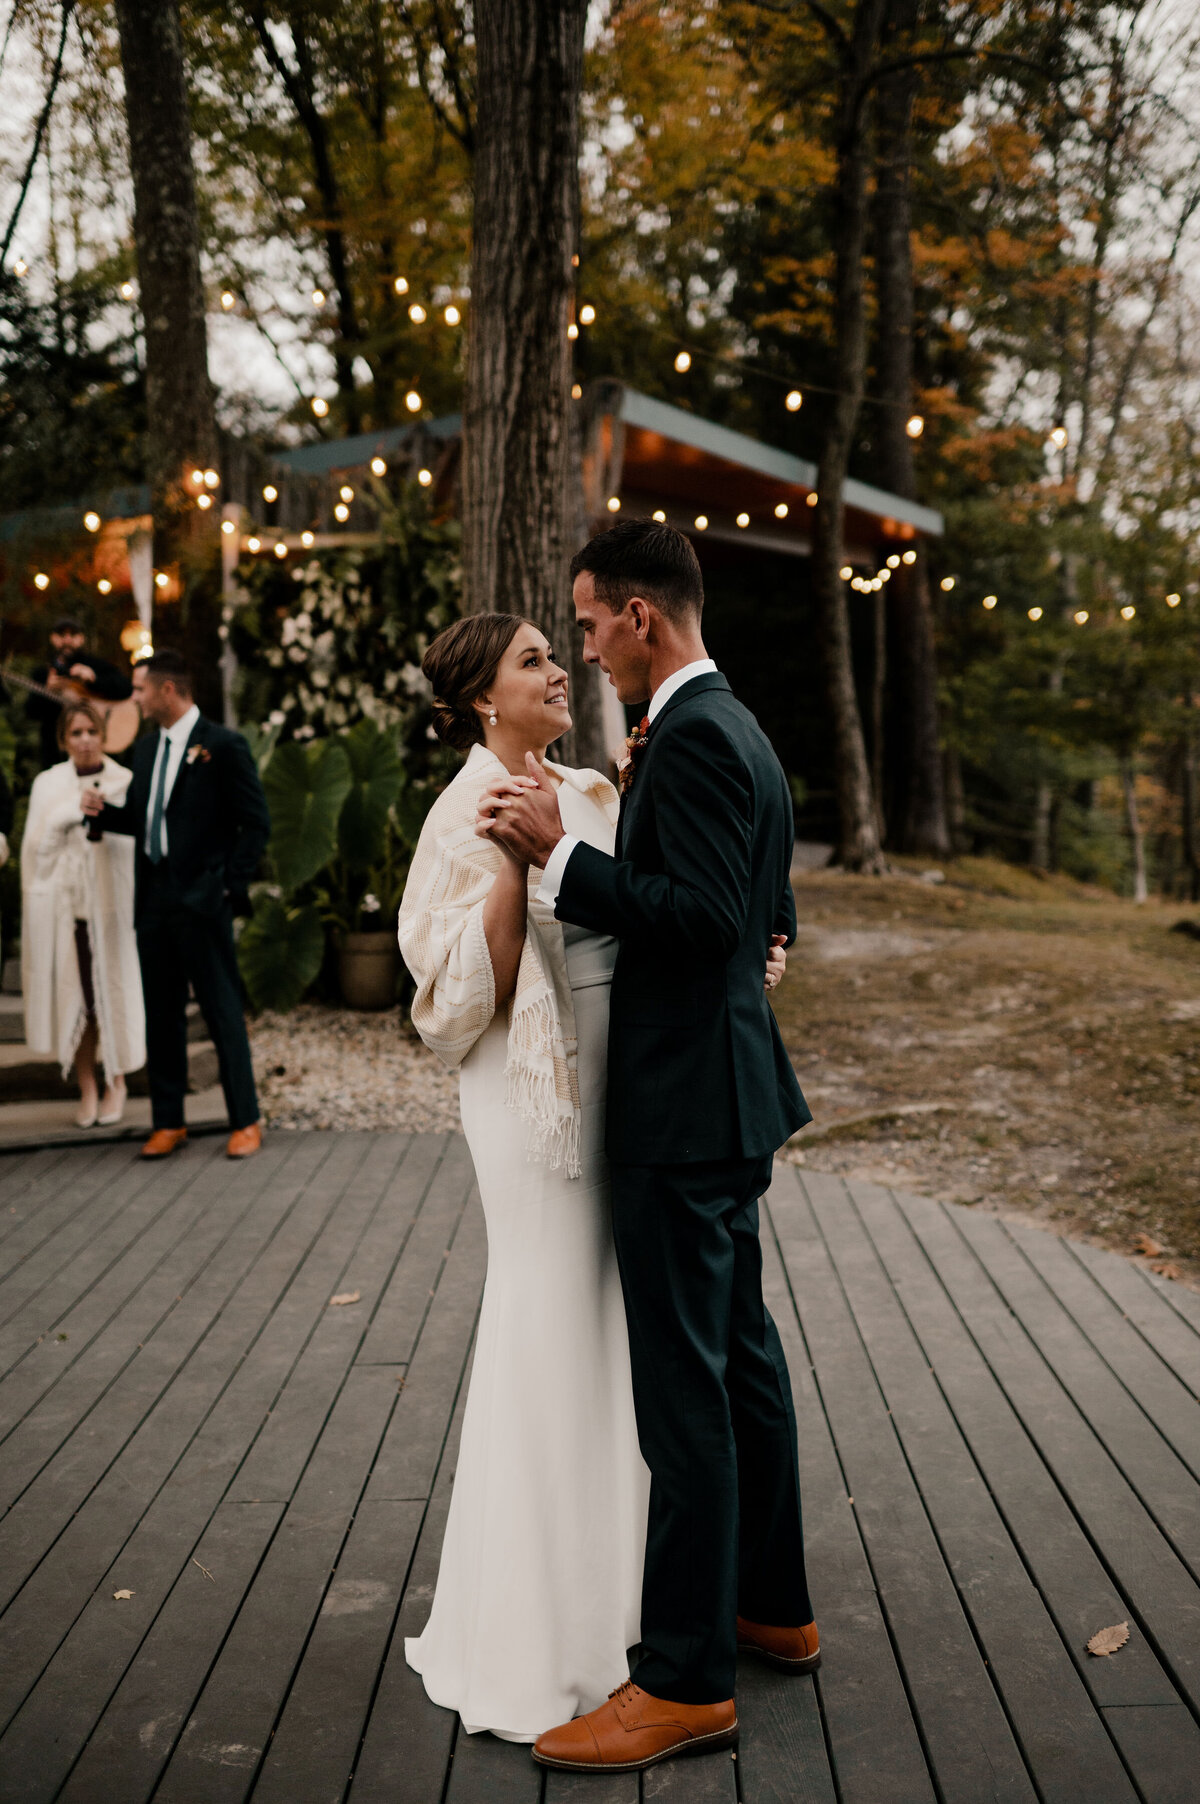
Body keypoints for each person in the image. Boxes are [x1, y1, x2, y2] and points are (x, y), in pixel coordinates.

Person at [397, 612, 787, 1746]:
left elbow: (681, 900)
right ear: (482, 701)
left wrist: (756, 936)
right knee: (550, 1316)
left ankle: (628, 1608)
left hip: (633, 1089)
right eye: (531, 660)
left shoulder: (600, 787)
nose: (558, 667)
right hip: (529, 1106)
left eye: (557, 651)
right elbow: (451, 993)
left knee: (626, 1336)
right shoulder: (464, 809)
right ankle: (535, 1628)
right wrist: (520, 863)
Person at [478, 519, 816, 1777]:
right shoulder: (739, 728)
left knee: (687, 1392)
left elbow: (707, 912)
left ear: (639, 618)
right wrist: (757, 944)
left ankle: (681, 1678)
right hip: (727, 1097)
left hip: (684, 1113)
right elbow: (761, 903)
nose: (580, 644)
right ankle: (771, 1604)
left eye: (585, 619)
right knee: (741, 1362)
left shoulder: (698, 735)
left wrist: (557, 855)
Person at [80, 648, 269, 1160]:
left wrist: (228, 886)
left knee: (221, 1010)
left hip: (204, 901)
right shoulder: (145, 751)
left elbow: (256, 823)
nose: (134, 698)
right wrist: (102, 815)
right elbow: (145, 821)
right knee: (162, 1013)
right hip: (154, 900)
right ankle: (169, 1122)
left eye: (139, 689)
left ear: (167, 690)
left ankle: (246, 1119)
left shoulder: (223, 746)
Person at [21, 701, 144, 1127]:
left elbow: (133, 849)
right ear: (63, 740)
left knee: (113, 993)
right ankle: (88, 1086)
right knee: (81, 1000)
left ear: (103, 735)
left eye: (92, 731)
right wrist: (68, 815)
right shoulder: (47, 785)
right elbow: (35, 853)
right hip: (68, 913)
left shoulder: (123, 780)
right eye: (76, 733)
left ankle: (119, 1082)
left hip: (111, 913)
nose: (85, 740)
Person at [26, 616, 134, 771]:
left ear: (82, 638)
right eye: (62, 635)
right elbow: (31, 712)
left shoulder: (95, 665)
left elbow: (126, 689)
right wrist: (48, 691)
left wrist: (94, 679)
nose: (67, 640)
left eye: (73, 635)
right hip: (56, 753)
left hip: (98, 754)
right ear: (53, 638)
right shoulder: (43, 673)